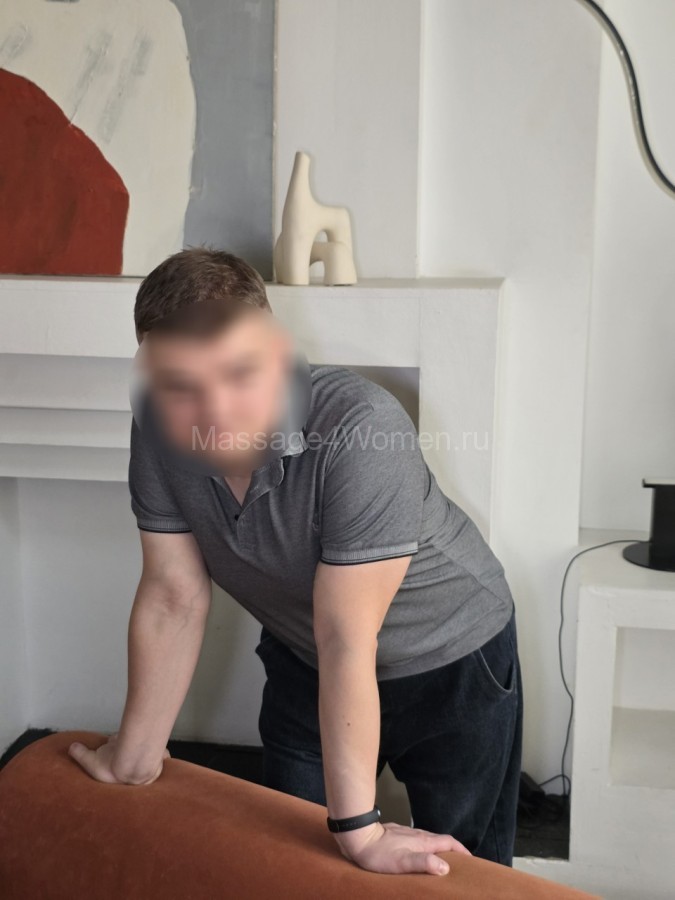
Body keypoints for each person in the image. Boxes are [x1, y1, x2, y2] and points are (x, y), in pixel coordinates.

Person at [68, 248, 523, 877]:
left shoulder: (363, 427)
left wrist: (359, 830)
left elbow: (347, 635)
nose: (216, 411)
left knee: (463, 871)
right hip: (306, 653)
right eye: (182, 386)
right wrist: (135, 758)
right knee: (288, 864)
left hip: (453, 657)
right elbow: (174, 595)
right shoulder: (157, 427)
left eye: (239, 373)